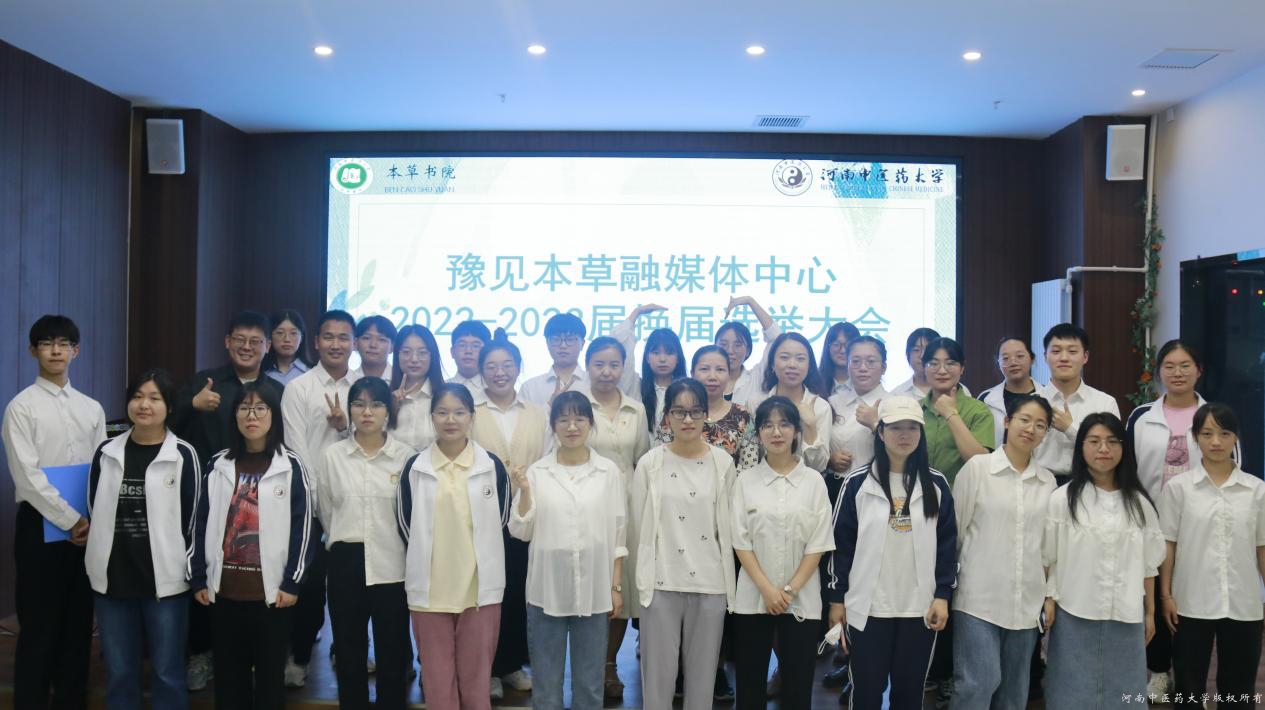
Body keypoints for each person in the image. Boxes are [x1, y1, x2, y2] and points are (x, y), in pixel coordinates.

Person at [169, 310, 282, 687]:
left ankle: (252, 657)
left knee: (253, 577)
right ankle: (203, 654)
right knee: (205, 572)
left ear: (267, 346)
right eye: (240, 340)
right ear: (227, 342)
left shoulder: (276, 390)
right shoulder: (205, 381)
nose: (247, 347)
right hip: (207, 497)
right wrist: (192, 405)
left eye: (255, 341)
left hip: (259, 499)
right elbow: (167, 427)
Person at [827, 396, 956, 710]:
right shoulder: (857, 483)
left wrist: (942, 594)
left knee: (909, 695)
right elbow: (840, 546)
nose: (905, 434)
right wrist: (836, 599)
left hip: (919, 610)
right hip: (868, 609)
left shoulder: (936, 484)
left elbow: (947, 546)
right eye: (896, 427)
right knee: (866, 694)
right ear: (881, 432)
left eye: (913, 427)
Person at [2, 315, 106, 708]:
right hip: (40, 525)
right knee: (39, 625)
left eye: (64, 344)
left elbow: (102, 469)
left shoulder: (91, 408)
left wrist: (90, 520)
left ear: (76, 351)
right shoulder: (21, 407)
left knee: (78, 624)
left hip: (87, 527)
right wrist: (72, 519)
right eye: (47, 343)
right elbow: (27, 478)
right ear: (34, 351)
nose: (56, 350)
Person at [193, 381, 316, 709]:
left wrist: (292, 582)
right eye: (244, 408)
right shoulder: (217, 464)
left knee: (269, 683)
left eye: (261, 408)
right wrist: (199, 577)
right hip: (224, 592)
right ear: (234, 415)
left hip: (272, 596)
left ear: (273, 415)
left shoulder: (290, 465)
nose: (252, 415)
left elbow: (303, 528)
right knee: (229, 682)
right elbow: (200, 523)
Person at [86, 368, 201, 710]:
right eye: (137, 397)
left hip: (165, 582)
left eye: (154, 398)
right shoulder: (106, 452)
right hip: (112, 579)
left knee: (167, 673)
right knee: (120, 673)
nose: (144, 405)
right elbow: (94, 507)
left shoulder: (183, 454)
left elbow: (194, 519)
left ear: (169, 406)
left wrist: (190, 571)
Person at [508, 391, 628, 710]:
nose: (572, 426)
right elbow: (520, 530)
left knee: (589, 684)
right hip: (546, 590)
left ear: (590, 423)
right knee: (547, 685)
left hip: (594, 590)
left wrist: (615, 587)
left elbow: (618, 531)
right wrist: (524, 492)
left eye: (579, 419)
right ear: (553, 426)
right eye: (563, 419)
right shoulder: (537, 472)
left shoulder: (607, 472)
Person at [397, 383, 511, 710]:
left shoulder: (491, 465)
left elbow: (502, 520)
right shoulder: (415, 467)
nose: (451, 420)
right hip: (430, 589)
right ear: (432, 416)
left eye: (459, 412)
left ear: (472, 417)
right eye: (443, 412)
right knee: (437, 678)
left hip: (478, 588)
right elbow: (405, 524)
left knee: (476, 679)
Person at [1042, 413, 1165, 709]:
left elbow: (1149, 564)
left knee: (1124, 693)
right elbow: (1049, 557)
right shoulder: (1062, 499)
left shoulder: (1140, 503)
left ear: (1123, 448)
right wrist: (1049, 598)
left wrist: (1150, 612)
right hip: (1074, 610)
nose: (1104, 449)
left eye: (1112, 441)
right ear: (1081, 447)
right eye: (1094, 441)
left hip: (1126, 612)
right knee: (1072, 691)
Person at [632, 378, 738, 710]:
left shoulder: (723, 463)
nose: (688, 419)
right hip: (661, 581)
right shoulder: (650, 463)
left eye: (695, 411)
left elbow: (729, 526)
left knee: (703, 679)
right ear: (667, 417)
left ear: (706, 415)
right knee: (657, 679)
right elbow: (638, 525)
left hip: (710, 582)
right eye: (679, 411)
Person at [313, 376, 415, 709]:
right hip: (346, 560)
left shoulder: (406, 457)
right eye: (358, 404)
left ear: (389, 411)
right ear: (350, 410)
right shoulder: (333, 456)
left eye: (376, 404)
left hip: (393, 561)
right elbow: (326, 510)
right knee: (348, 650)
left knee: (392, 651)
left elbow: (411, 515)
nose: (367, 412)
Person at [950, 393, 1055, 709]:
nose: (1031, 429)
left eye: (1040, 425)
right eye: (1025, 420)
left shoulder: (1047, 481)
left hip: (1026, 601)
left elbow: (1048, 547)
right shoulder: (978, 469)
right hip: (978, 599)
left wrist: (1049, 596)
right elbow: (956, 532)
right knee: (978, 683)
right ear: (1007, 422)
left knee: (1014, 692)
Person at [1127, 339, 1218, 698]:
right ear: (1158, 372)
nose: (1177, 373)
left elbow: (1230, 464)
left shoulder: (1214, 415)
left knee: (1190, 598)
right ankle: (1159, 671)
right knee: (1152, 595)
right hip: (1149, 519)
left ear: (1199, 370)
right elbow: (1127, 468)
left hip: (1198, 523)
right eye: (1169, 366)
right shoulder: (1141, 416)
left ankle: (1191, 677)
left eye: (1185, 366)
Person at [730, 396, 834, 710]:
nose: (776, 432)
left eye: (784, 424)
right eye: (768, 425)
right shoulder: (745, 481)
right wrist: (767, 589)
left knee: (798, 687)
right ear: (758, 433)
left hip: (801, 599)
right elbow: (740, 541)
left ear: (796, 431)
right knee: (749, 685)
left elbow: (818, 543)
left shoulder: (814, 482)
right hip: (753, 598)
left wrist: (788, 591)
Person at [1158, 403, 1265, 705]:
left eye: (1224, 433)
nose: (1216, 441)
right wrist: (1166, 596)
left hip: (1244, 602)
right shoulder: (1178, 489)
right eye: (1207, 434)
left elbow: (1262, 548)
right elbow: (1168, 544)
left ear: (1236, 438)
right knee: (1188, 686)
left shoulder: (1257, 491)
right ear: (1195, 437)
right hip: (1191, 601)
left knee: (1239, 689)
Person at [279, 309, 362, 686]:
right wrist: (319, 506)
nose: (336, 344)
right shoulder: (299, 389)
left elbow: (370, 445)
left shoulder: (364, 388)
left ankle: (350, 654)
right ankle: (298, 657)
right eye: (328, 336)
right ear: (315, 342)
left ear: (354, 344)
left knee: (351, 589)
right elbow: (296, 451)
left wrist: (345, 429)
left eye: (344, 337)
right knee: (309, 587)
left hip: (357, 504)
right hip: (310, 507)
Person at [471, 331, 549, 698]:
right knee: (484, 595)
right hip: (480, 517)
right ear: (481, 370)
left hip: (525, 516)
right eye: (491, 366)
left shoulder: (538, 413)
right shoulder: (470, 411)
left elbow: (547, 462)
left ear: (518, 368)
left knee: (518, 592)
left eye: (507, 365)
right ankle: (484, 669)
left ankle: (511, 665)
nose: (500, 372)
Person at [582, 337, 652, 699]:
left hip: (627, 508)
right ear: (588, 366)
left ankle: (609, 665)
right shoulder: (577, 405)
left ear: (623, 368)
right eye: (599, 364)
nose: (606, 372)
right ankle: (588, 665)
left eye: (613, 364)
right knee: (590, 585)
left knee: (619, 588)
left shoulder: (636, 410)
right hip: (585, 506)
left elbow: (642, 458)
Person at [1033, 323, 1120, 482]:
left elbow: (1111, 449)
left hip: (1090, 483)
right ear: (1045, 356)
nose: (1064, 358)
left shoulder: (1105, 403)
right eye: (1056, 351)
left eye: (1072, 351)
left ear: (1085, 357)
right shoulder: (1031, 403)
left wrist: (1070, 428)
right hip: (1039, 484)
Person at [662, 344, 759, 471]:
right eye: (704, 369)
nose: (712, 377)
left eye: (720, 370)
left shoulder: (742, 416)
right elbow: (662, 459)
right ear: (692, 373)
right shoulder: (675, 413)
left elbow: (749, 469)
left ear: (729, 375)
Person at [747, 332, 832, 473]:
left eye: (800, 359)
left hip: (805, 484)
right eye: (784, 357)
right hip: (762, 481)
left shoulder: (820, 407)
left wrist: (810, 426)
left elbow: (819, 466)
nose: (792, 364)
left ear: (809, 366)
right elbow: (751, 455)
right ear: (772, 364)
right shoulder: (755, 403)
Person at [827, 335, 889, 480]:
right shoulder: (833, 403)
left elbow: (903, 451)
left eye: (871, 362)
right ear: (848, 367)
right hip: (835, 483)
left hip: (877, 485)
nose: (862, 368)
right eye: (855, 361)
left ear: (883, 368)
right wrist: (830, 459)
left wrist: (875, 426)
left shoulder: (894, 404)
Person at [715, 295, 781, 405]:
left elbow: (776, 337)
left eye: (737, 345)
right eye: (724, 344)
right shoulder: (706, 380)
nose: (730, 351)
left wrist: (750, 301)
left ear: (748, 350)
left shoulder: (756, 377)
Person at [976, 336, 1040, 447]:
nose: (1013, 362)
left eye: (1020, 356)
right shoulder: (985, 399)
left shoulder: (1048, 395)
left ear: (1032, 359)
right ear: (998, 363)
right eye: (1005, 358)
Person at [391, 324, 445, 452]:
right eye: (406, 352)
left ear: (432, 356)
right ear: (397, 355)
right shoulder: (384, 396)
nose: (414, 359)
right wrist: (391, 407)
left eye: (422, 353)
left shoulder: (445, 397)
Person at [520, 313, 589, 406]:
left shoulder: (593, 383)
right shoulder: (530, 388)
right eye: (556, 339)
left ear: (583, 344)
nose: (563, 345)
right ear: (547, 343)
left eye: (570, 339)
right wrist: (550, 405)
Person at [636, 327, 687, 438]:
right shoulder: (636, 387)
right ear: (647, 358)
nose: (662, 359)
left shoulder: (688, 391)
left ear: (678, 358)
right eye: (656, 352)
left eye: (669, 352)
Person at [262, 309, 314, 386]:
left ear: (301, 338)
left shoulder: (312, 372)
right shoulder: (260, 372)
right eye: (280, 333)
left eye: (293, 333)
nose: (287, 339)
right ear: (270, 337)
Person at [889, 327, 940, 399]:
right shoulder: (896, 395)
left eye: (928, 350)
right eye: (916, 350)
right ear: (908, 355)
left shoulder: (954, 391)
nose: (922, 356)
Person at [819, 321, 862, 397]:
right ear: (828, 347)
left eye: (848, 345)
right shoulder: (816, 383)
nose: (843, 351)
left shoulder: (866, 383)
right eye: (836, 344)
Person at [448, 319, 492, 393]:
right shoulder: (442, 388)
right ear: (452, 352)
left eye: (475, 346)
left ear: (487, 352)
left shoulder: (494, 389)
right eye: (462, 345)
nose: (468, 351)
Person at [353, 314, 397, 383]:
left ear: (392, 347)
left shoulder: (401, 381)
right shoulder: (348, 381)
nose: (373, 345)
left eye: (381, 339)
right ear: (355, 343)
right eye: (366, 338)